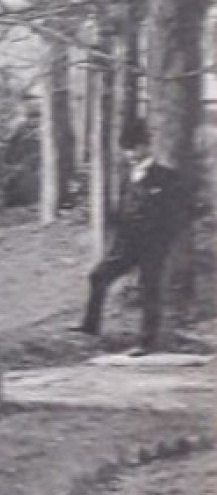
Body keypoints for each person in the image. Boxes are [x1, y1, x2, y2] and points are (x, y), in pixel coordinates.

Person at [74, 119, 191, 354]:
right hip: (127, 245)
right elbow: (122, 212)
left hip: (153, 246)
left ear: (146, 146)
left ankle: (147, 342)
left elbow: (177, 215)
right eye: (126, 148)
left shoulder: (166, 177)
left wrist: (163, 242)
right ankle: (90, 327)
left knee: (150, 291)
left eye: (134, 147)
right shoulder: (128, 177)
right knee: (98, 276)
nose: (129, 154)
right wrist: (117, 242)